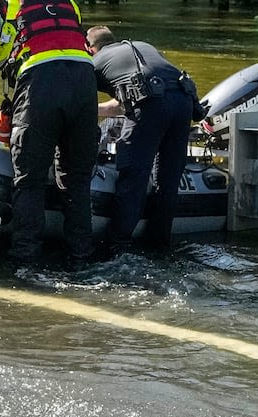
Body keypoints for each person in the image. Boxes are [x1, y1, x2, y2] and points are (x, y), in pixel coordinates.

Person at [0, 0, 97, 270]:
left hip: (40, 80)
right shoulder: (70, 4)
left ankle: (25, 262)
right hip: (84, 79)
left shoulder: (9, 4)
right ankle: (81, 259)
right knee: (77, 179)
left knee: (29, 179)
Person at [87, 25, 196, 255]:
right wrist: (96, 109)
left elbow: (77, 95)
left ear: (91, 49)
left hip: (151, 106)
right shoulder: (141, 47)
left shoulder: (96, 62)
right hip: (184, 102)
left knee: (134, 176)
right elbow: (132, 97)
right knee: (168, 179)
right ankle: (158, 245)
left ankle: (118, 245)